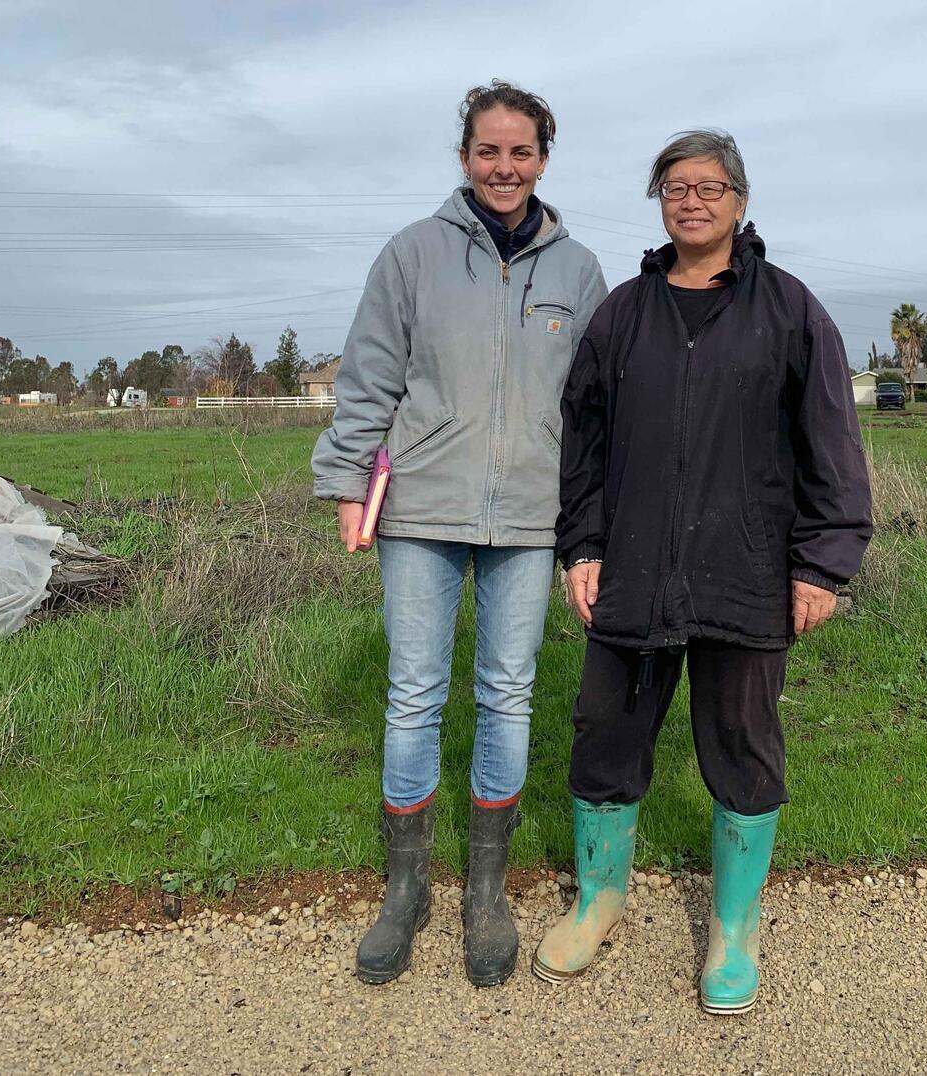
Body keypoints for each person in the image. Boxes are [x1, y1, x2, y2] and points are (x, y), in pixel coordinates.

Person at [533, 130, 872, 1014]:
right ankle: (600, 898)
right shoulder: (623, 313)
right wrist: (584, 545)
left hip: (747, 576)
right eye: (676, 186)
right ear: (659, 200)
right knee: (604, 735)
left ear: (740, 201)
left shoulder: (791, 311)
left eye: (710, 186)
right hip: (632, 577)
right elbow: (585, 442)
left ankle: (733, 929)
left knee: (743, 751)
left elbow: (831, 446)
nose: (693, 200)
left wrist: (823, 567)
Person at [312, 80, 607, 988]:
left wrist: (596, 524)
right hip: (422, 509)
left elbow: (597, 409)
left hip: (528, 515)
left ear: (544, 160)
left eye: (521, 152)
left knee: (507, 693)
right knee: (413, 694)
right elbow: (367, 378)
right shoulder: (411, 256)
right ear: (465, 156)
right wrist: (346, 484)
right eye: (489, 151)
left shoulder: (580, 272)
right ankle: (407, 890)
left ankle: (486, 889)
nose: (504, 167)